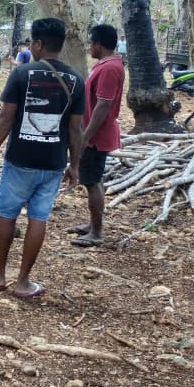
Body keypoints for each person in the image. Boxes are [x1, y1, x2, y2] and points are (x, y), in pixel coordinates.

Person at [0, 17, 84, 299]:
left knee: (7, 213)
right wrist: (75, 164)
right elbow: (76, 128)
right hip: (53, 162)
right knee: (39, 218)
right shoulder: (76, 80)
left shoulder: (22, 74)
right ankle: (23, 281)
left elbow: (6, 119)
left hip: (20, 158)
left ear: (37, 44)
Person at [69, 24, 125, 247]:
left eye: (91, 43)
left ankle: (96, 232)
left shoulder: (109, 68)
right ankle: (92, 224)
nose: (89, 47)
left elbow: (103, 104)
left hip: (96, 135)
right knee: (94, 179)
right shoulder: (106, 65)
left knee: (92, 182)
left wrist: (86, 136)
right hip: (95, 132)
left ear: (99, 44)